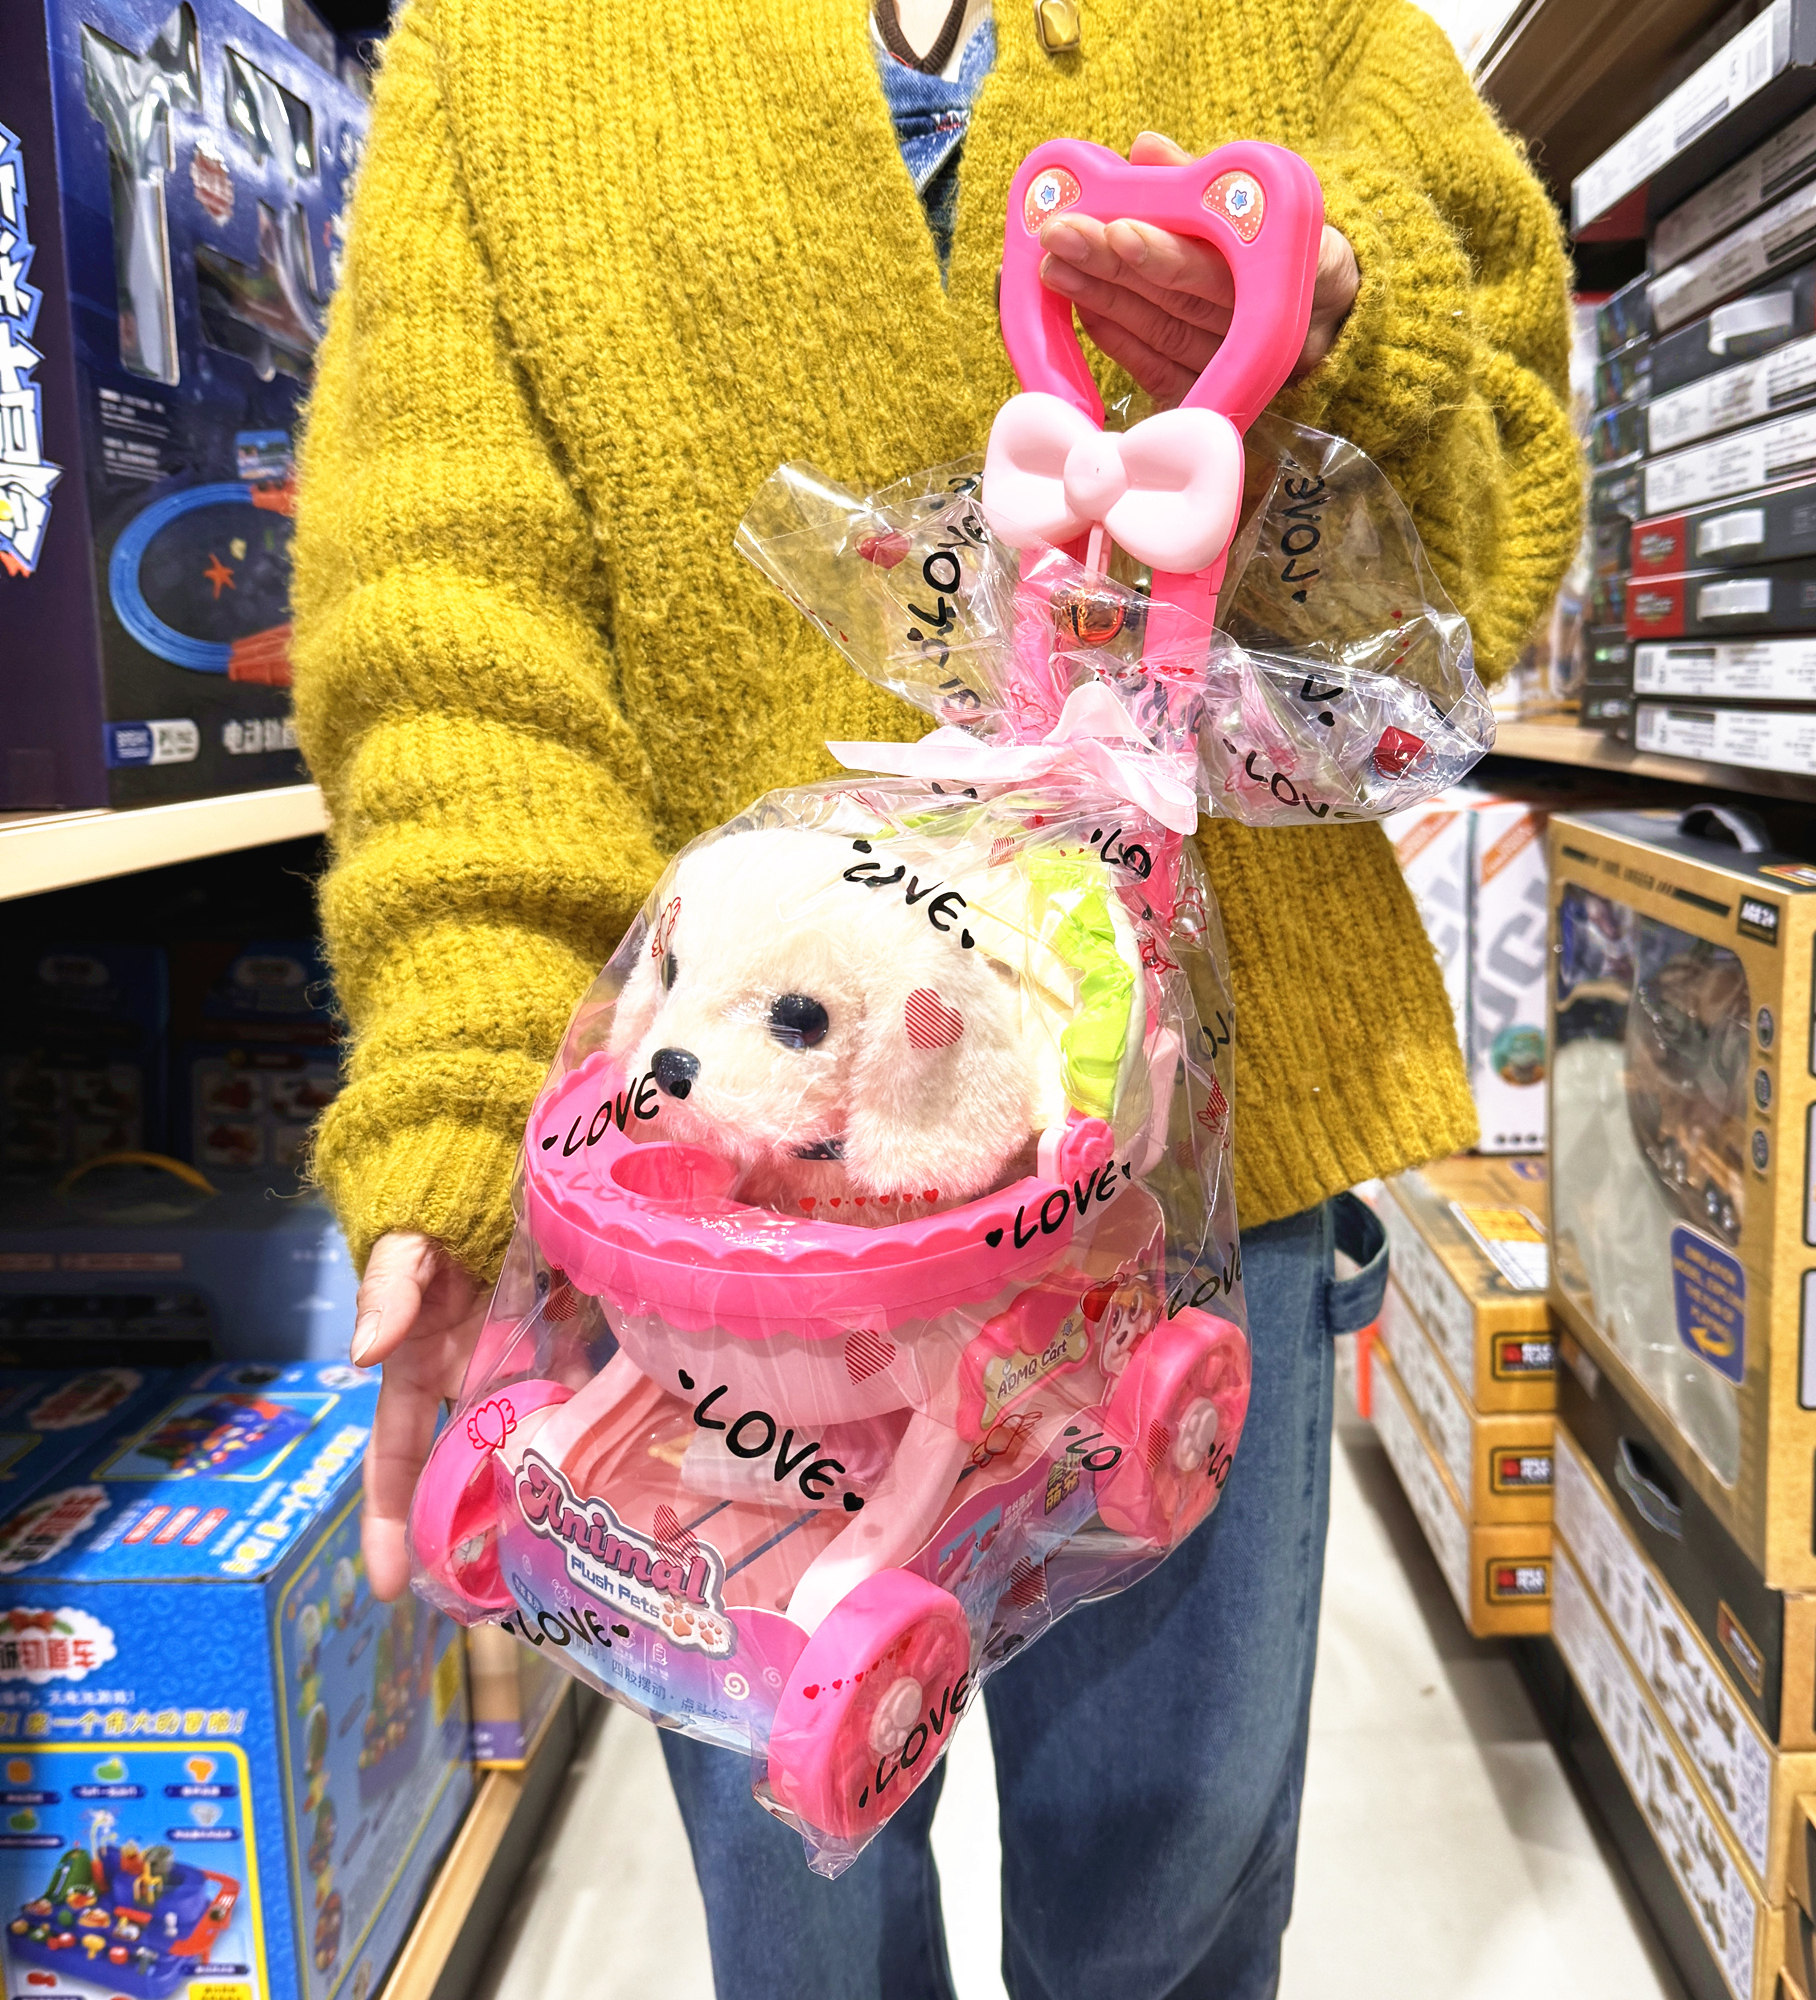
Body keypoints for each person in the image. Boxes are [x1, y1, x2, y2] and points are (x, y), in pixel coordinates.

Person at [291, 0, 1580, 1990]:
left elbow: (1489, 548)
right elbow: (451, 618)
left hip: (1198, 1156)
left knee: (1165, 1896)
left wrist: (1345, 340)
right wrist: (476, 1076)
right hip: (727, 1185)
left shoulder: (1312, 22)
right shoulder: (507, 49)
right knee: (804, 1919)